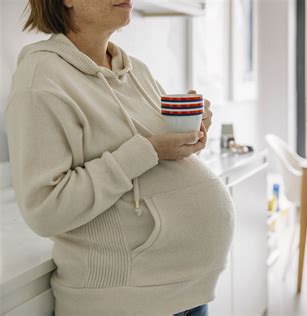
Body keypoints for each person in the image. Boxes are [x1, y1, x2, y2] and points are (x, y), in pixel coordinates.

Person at [5, 1, 235, 315]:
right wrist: (149, 150)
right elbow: (46, 209)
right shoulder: (40, 81)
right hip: (125, 301)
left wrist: (190, 134)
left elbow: (159, 159)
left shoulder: (136, 70)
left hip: (188, 294)